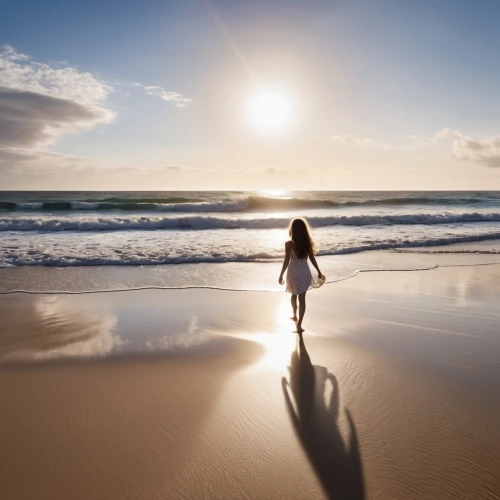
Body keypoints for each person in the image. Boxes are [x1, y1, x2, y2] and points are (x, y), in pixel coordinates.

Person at [278, 218, 325, 333]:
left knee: (294, 294)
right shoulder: (307, 243)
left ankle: (294, 314)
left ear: (292, 230)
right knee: (302, 299)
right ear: (304, 230)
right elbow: (312, 259)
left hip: (293, 272)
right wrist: (319, 271)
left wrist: (281, 275)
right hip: (304, 272)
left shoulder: (289, 244)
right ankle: (299, 325)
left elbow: (286, 261)